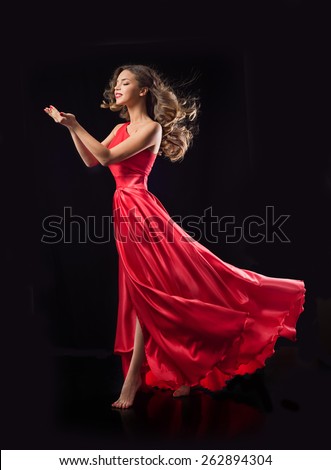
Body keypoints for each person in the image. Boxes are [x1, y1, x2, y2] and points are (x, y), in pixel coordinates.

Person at [44, 64, 306, 409]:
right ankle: (183, 372)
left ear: (143, 91)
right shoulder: (119, 127)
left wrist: (77, 124)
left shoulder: (151, 128)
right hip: (125, 211)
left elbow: (106, 157)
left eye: (125, 82)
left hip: (141, 211)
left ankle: (134, 377)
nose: (117, 87)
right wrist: (69, 130)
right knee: (158, 292)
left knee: (148, 291)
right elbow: (92, 161)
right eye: (116, 82)